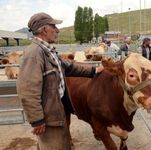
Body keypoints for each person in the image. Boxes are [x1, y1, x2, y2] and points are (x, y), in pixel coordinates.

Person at [16, 12, 103, 150]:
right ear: (44, 30)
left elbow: (69, 67)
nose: (57, 30)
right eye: (54, 26)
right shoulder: (34, 54)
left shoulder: (49, 51)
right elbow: (27, 90)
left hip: (58, 112)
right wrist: (37, 120)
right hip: (48, 119)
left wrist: (94, 70)